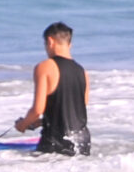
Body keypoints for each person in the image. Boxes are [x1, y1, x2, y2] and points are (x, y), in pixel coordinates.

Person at [15, 21, 90, 156]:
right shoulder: (82, 71)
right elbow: (78, 108)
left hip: (56, 142)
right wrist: (41, 122)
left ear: (50, 41)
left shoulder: (45, 67)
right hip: (82, 141)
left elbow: (38, 110)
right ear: (69, 44)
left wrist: (23, 124)